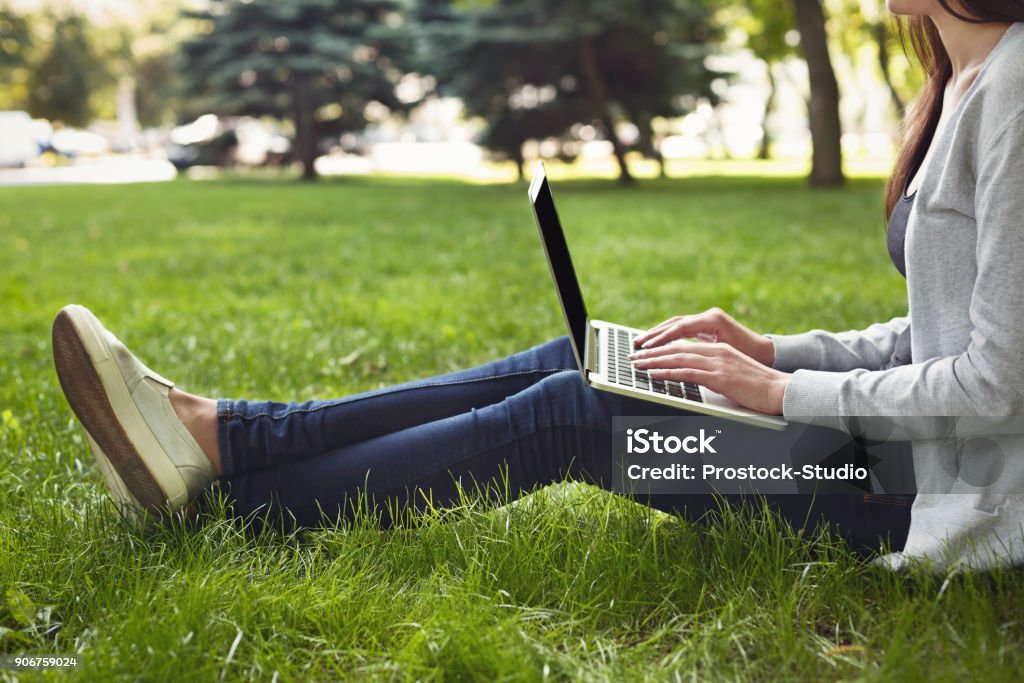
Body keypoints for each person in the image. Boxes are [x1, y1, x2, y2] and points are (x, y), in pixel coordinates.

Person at [52, 1, 1024, 570]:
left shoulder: (1016, 91)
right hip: (888, 449)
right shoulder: (965, 82)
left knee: (576, 415)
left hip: (924, 497)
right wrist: (770, 351)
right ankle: (229, 435)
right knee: (588, 358)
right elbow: (932, 331)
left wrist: (781, 394)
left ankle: (236, 504)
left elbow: (994, 381)